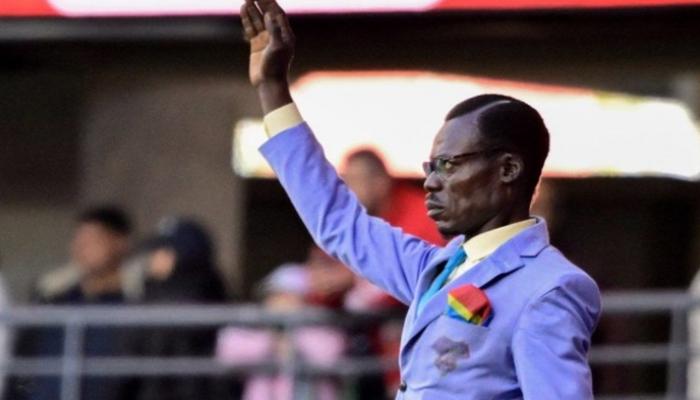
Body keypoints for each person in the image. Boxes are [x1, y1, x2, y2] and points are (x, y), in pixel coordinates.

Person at [240, 1, 602, 398]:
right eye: (431, 167)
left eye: (448, 165)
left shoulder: (550, 288)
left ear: (508, 169)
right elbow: (340, 223)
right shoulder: (434, 269)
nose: (430, 182)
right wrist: (273, 89)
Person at [8, 206, 134, 400]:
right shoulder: (54, 306)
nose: (81, 247)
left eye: (93, 240)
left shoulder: (133, 309)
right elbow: (23, 368)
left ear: (120, 243)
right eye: (78, 239)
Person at [120, 217, 227, 400]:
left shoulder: (157, 305)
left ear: (180, 256)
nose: (152, 259)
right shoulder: (218, 295)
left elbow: (125, 372)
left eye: (161, 252)